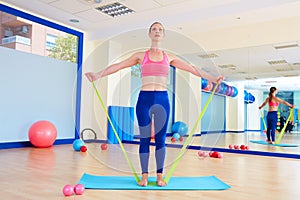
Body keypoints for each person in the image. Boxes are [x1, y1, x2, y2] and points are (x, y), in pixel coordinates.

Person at [85, 22, 224, 187]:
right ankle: (144, 176)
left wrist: (213, 78)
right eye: (154, 29)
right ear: (149, 34)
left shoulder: (169, 57)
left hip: (162, 100)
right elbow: (118, 66)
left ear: (163, 35)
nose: (157, 32)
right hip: (144, 99)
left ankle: (159, 176)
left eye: (160, 30)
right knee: (144, 139)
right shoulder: (140, 55)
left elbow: (192, 69)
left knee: (160, 140)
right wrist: (97, 74)